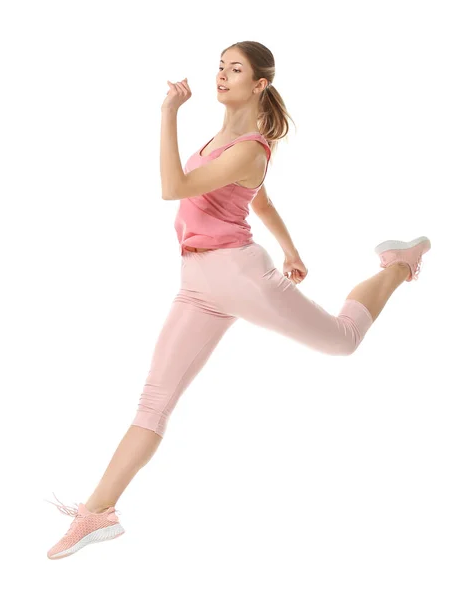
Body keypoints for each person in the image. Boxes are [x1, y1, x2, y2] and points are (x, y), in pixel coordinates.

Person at [46, 41, 431, 560]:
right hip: (197, 281)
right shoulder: (224, 140)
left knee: (344, 340)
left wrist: (167, 113)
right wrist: (293, 249)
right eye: (220, 67)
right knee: (153, 402)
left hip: (236, 275)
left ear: (259, 85)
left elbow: (172, 187)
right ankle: (97, 512)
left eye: (234, 69)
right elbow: (261, 199)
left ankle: (400, 263)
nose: (221, 76)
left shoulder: (250, 147)